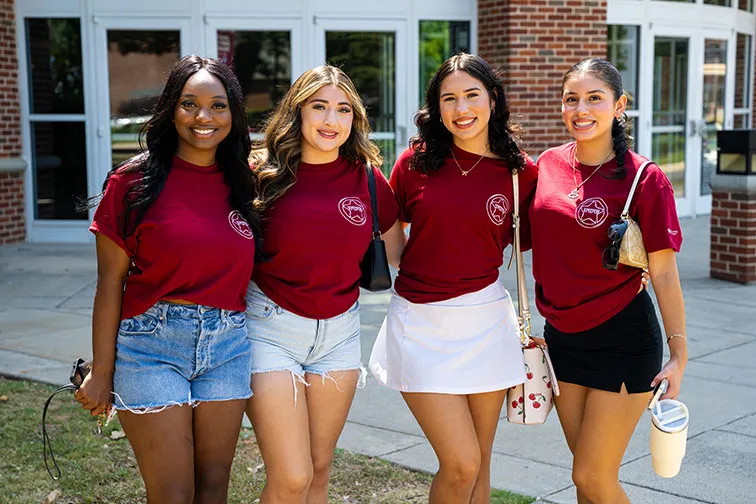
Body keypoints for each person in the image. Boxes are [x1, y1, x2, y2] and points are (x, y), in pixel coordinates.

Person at [76, 55, 262, 504]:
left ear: (233, 114)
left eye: (218, 105)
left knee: (213, 489)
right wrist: (102, 373)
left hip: (228, 348)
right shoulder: (132, 182)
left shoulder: (247, 182)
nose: (204, 116)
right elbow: (109, 285)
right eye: (189, 104)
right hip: (150, 347)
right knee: (173, 494)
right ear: (170, 110)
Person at [369, 53, 537, 504]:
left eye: (471, 95)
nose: (461, 109)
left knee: (480, 462)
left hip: (486, 322)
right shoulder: (414, 163)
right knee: (460, 462)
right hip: (420, 323)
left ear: (493, 99)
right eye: (449, 98)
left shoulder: (521, 171)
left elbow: (551, 235)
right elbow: (388, 230)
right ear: (436, 106)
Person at [530, 58, 688, 504]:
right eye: (571, 99)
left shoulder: (645, 178)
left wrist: (679, 354)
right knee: (585, 479)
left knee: (593, 476)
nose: (581, 108)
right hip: (561, 338)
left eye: (594, 98)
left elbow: (663, 271)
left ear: (619, 105)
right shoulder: (546, 165)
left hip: (623, 338)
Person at [245, 65, 404, 503]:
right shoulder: (262, 174)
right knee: (291, 475)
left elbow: (402, 255)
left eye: (343, 110)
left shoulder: (369, 180)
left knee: (318, 469)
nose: (331, 120)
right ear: (297, 112)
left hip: (339, 336)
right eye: (319, 107)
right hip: (270, 329)